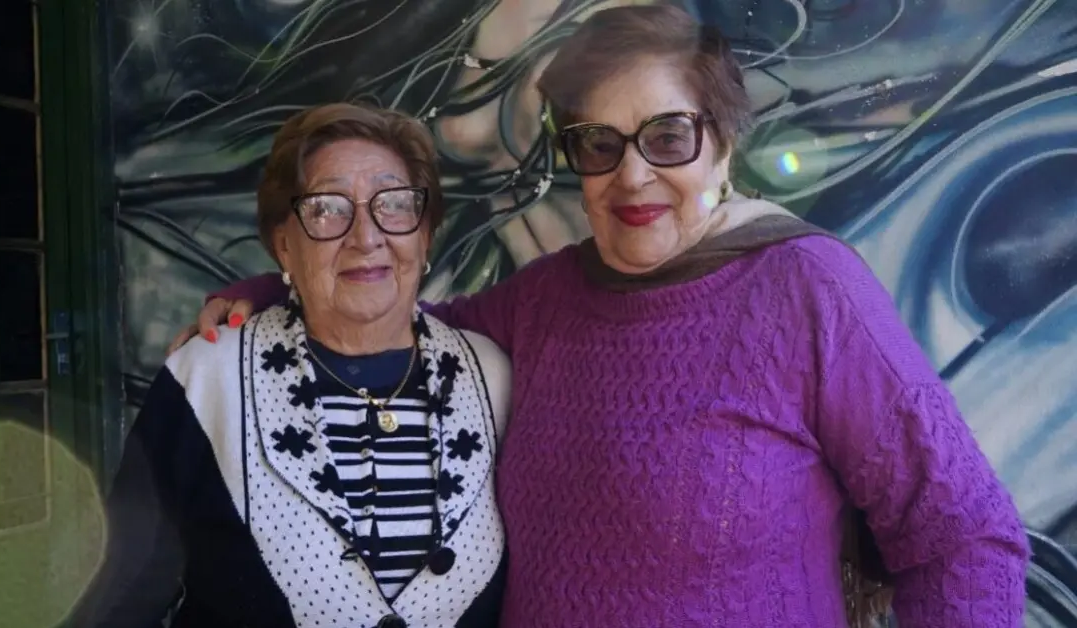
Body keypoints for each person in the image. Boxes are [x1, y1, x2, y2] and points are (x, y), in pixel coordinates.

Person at [172, 6, 1030, 627]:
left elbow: (965, 541)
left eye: (668, 137)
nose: (633, 175)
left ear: (723, 144)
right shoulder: (543, 299)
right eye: (598, 144)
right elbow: (394, 318)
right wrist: (281, 286)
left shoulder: (807, 289)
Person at [75, 103, 511, 627]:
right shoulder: (209, 379)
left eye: (394, 204)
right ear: (284, 245)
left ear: (425, 235)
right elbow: (118, 600)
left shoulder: (492, 377)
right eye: (327, 208)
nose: (366, 236)